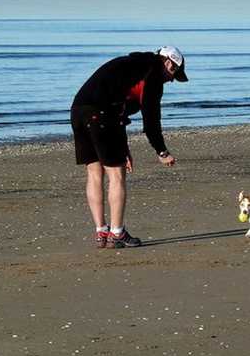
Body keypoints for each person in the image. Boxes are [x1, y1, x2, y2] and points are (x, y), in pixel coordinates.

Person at [70, 46, 188, 248]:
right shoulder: (152, 74)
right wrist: (162, 151)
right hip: (101, 115)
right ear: (169, 63)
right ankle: (117, 233)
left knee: (94, 173)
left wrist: (124, 148)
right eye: (174, 74)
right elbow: (151, 120)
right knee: (116, 175)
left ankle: (101, 232)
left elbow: (118, 108)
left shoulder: (131, 64)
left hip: (78, 112)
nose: (171, 80)